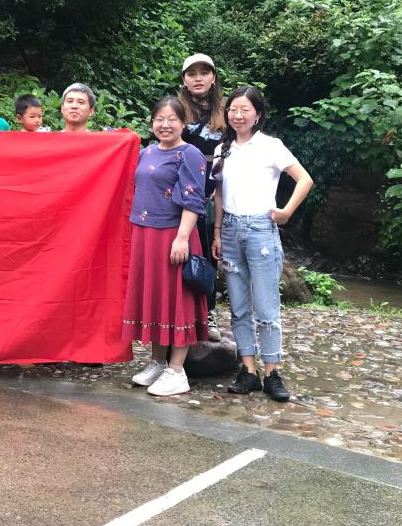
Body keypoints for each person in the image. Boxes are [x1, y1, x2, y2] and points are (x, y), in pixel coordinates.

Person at [210, 86, 313, 402]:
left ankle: (272, 373)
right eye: (233, 109)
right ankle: (248, 371)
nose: (238, 115)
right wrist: (217, 231)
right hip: (230, 229)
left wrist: (286, 212)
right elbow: (219, 194)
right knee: (239, 308)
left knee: (267, 308)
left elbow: (304, 179)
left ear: (258, 115)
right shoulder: (223, 149)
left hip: (261, 230)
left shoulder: (271, 146)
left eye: (245, 110)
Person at [122, 97, 208, 397]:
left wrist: (182, 237)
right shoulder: (147, 152)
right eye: (159, 119)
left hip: (173, 235)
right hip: (146, 235)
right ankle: (157, 362)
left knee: (178, 300)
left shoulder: (189, 154)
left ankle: (177, 370)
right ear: (152, 123)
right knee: (157, 297)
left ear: (184, 123)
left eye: (172, 119)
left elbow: (193, 199)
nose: (165, 124)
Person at [178, 53, 226, 342]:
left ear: (213, 77)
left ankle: (208, 313)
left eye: (204, 73)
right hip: (180, 195)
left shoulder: (227, 113)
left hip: (212, 193)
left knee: (209, 254)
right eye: (192, 73)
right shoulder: (176, 111)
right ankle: (178, 315)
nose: (198, 78)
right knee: (180, 254)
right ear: (184, 80)